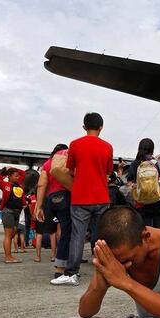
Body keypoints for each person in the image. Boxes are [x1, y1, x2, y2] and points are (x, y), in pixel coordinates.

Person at [52, 112, 113, 286]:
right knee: (101, 236)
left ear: (84, 127)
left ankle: (72, 273)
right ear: (101, 127)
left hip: (80, 197)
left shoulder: (75, 144)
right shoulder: (108, 147)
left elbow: (70, 169)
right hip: (101, 196)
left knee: (77, 236)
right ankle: (106, 270)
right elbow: (108, 171)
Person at [35, 144, 71, 280]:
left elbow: (41, 184)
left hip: (51, 200)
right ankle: (61, 267)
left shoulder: (47, 163)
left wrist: (38, 207)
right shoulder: (66, 161)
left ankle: (62, 260)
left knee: (57, 230)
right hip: (65, 198)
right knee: (67, 233)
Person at [127, 138, 160, 228]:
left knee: (144, 232)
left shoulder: (135, 164)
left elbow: (130, 182)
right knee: (159, 233)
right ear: (152, 150)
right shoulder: (157, 163)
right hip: (158, 203)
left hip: (141, 204)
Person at [0, 167, 26, 263]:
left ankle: (9, 254)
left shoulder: (19, 184)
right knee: (8, 235)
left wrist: (13, 168)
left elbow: (23, 173)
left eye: (18, 176)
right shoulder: (5, 184)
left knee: (12, 233)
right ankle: (8, 257)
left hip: (17, 212)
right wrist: (4, 173)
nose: (18, 177)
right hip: (8, 211)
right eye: (15, 176)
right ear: (9, 176)